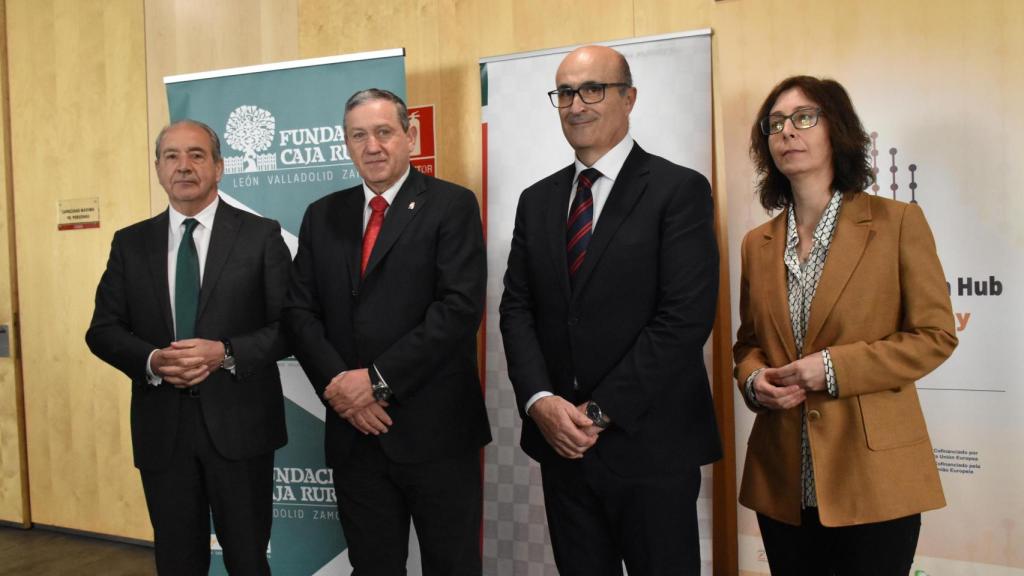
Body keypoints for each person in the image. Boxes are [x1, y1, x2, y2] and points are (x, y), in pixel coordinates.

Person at [499, 45, 721, 575]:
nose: (577, 105)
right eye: (566, 93)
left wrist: (597, 414)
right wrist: (540, 401)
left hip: (651, 447)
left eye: (593, 89)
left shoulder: (679, 190)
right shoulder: (537, 200)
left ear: (629, 98)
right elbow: (516, 309)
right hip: (562, 449)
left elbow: (684, 318)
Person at [734, 75, 958, 575]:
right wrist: (754, 379)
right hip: (783, 480)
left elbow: (936, 335)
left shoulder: (897, 222)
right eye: (774, 123)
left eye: (803, 117)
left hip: (874, 478)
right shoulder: (758, 242)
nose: (786, 131)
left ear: (837, 129)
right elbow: (748, 344)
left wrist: (833, 369)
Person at [283, 89, 490, 576]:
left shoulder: (452, 204)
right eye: (359, 135)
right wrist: (342, 388)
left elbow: (458, 310)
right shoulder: (322, 215)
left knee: (453, 565)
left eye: (383, 132)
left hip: (437, 432)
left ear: (410, 137)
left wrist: (374, 381)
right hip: (356, 436)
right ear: (347, 144)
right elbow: (298, 312)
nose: (371, 146)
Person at [86, 120, 291, 574]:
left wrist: (227, 352)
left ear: (219, 168)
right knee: (177, 561)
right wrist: (153, 360)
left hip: (241, 426)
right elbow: (102, 330)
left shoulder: (260, 236)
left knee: (248, 559)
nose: (184, 166)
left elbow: (290, 326)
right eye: (171, 156)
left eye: (197, 155)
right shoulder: (130, 243)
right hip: (164, 430)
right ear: (158, 168)